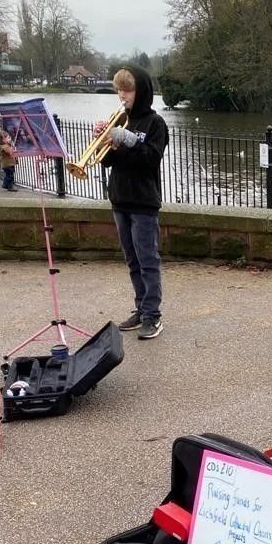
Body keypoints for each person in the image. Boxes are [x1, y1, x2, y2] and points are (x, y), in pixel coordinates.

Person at [96, 65, 168, 340]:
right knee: (132, 260)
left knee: (148, 260)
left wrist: (126, 140)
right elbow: (107, 162)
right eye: (119, 90)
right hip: (120, 199)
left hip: (143, 201)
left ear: (141, 91)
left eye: (127, 90)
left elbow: (151, 159)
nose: (122, 96)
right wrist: (105, 142)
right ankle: (141, 308)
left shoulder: (155, 124)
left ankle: (153, 315)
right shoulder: (121, 119)